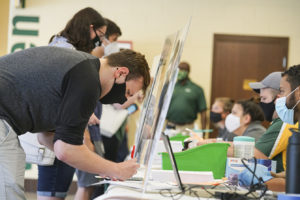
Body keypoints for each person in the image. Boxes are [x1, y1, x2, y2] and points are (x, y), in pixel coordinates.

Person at [0, 46, 150, 200]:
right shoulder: (88, 80)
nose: (123, 100)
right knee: (9, 188)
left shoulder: (84, 67)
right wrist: (116, 169)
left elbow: (46, 137)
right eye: (127, 93)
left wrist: (99, 166)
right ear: (120, 73)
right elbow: (66, 150)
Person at [37, 7, 107, 200]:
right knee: (52, 191)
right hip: (54, 128)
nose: (101, 41)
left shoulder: (66, 48)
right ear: (90, 28)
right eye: (100, 34)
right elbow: (61, 93)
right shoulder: (66, 52)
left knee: (59, 189)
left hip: (59, 128)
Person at [249, 71, 286, 172]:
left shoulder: (284, 122)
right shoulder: (278, 122)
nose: (261, 104)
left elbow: (256, 155)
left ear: (278, 99)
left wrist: (218, 148)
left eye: (264, 98)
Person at [166, 61, 207, 131]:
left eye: (183, 69)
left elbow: (203, 112)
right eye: (178, 69)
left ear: (188, 72)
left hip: (188, 127)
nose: (180, 72)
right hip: (170, 126)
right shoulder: (170, 87)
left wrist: (203, 132)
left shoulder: (197, 89)